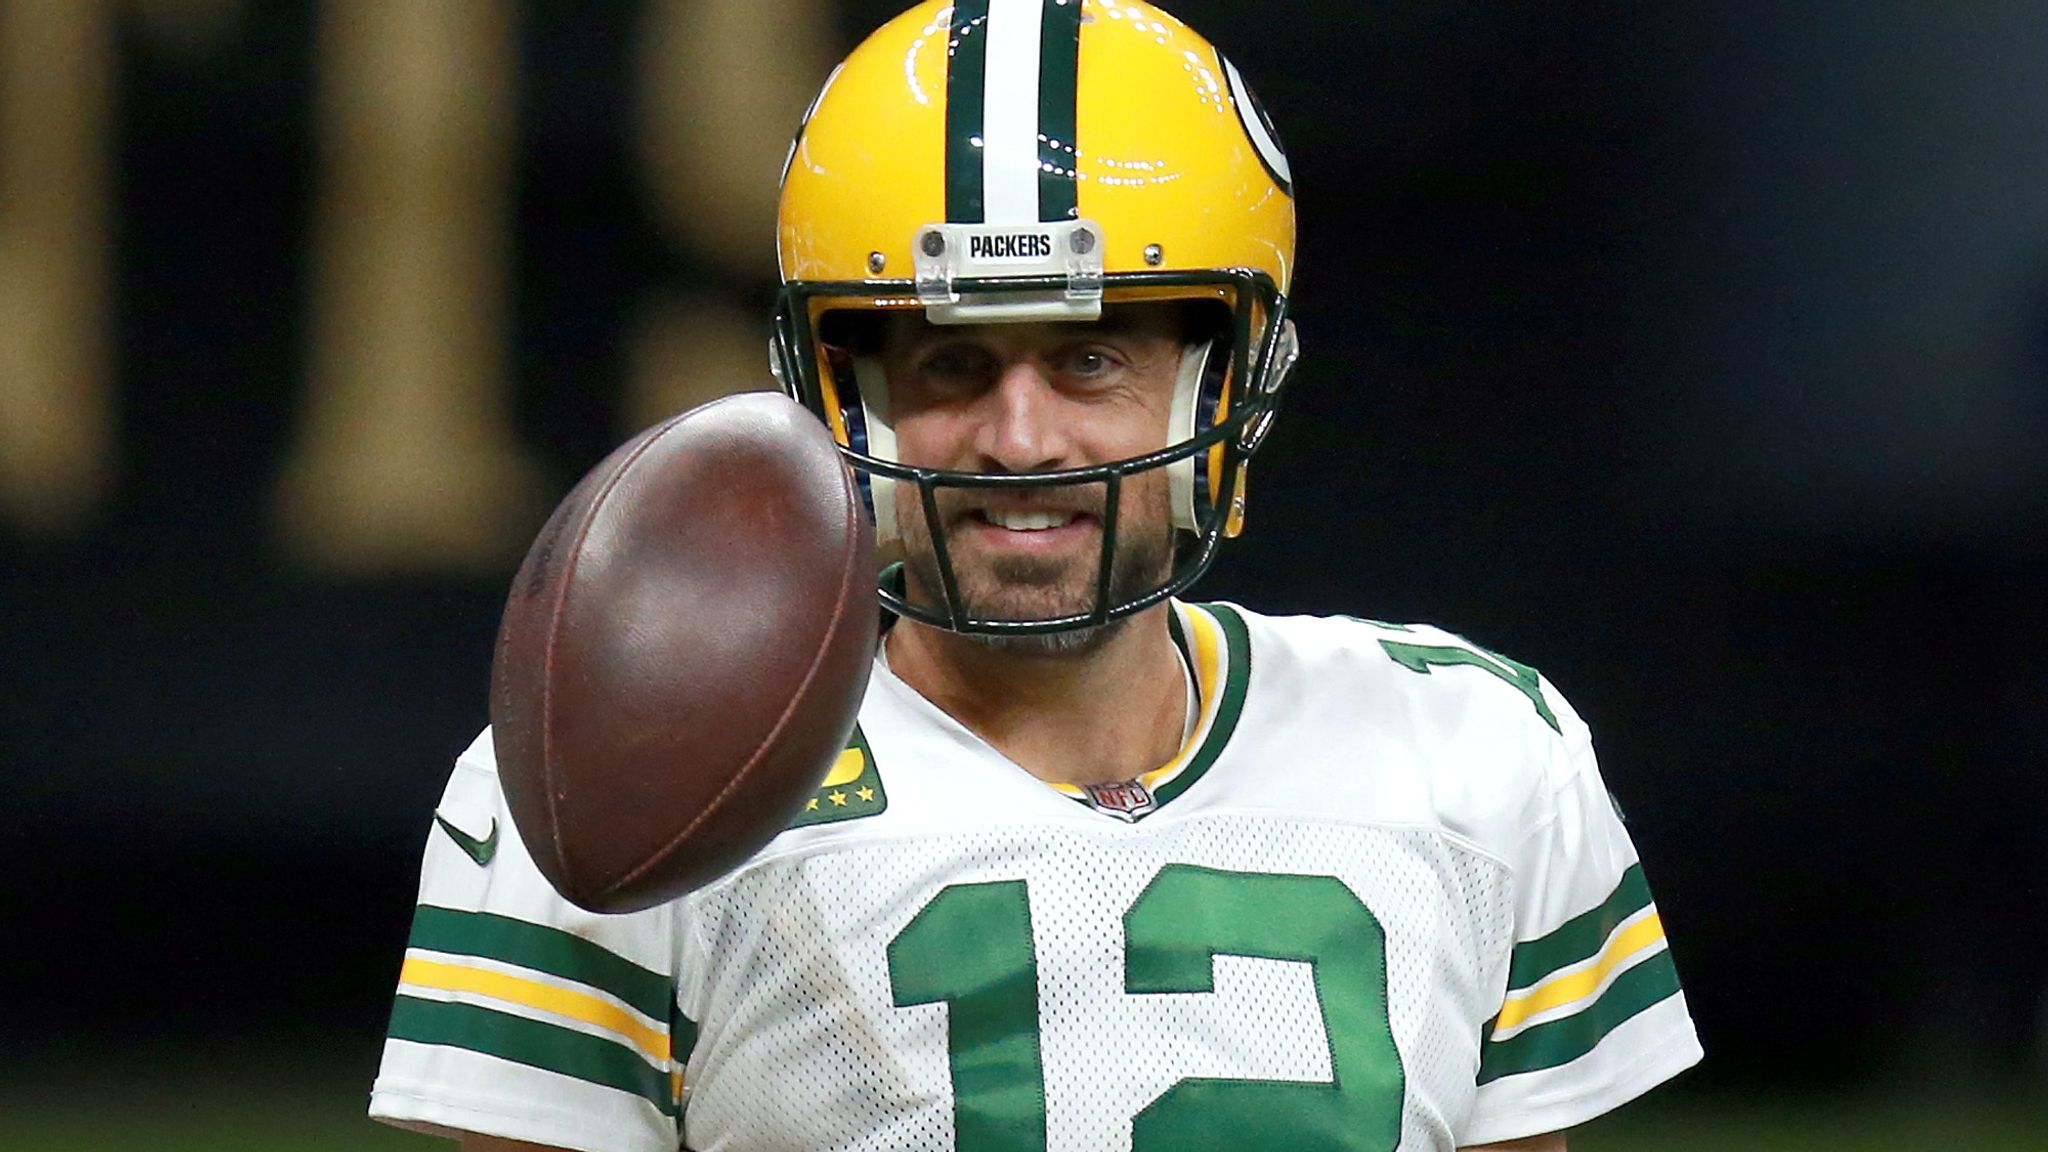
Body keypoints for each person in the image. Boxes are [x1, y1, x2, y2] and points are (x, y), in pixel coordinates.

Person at [368, 2, 1702, 1150]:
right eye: (952, 363)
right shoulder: (638, 767)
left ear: (1228, 380)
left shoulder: (1472, 753)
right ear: (836, 391)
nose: (1019, 439)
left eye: (1090, 360)